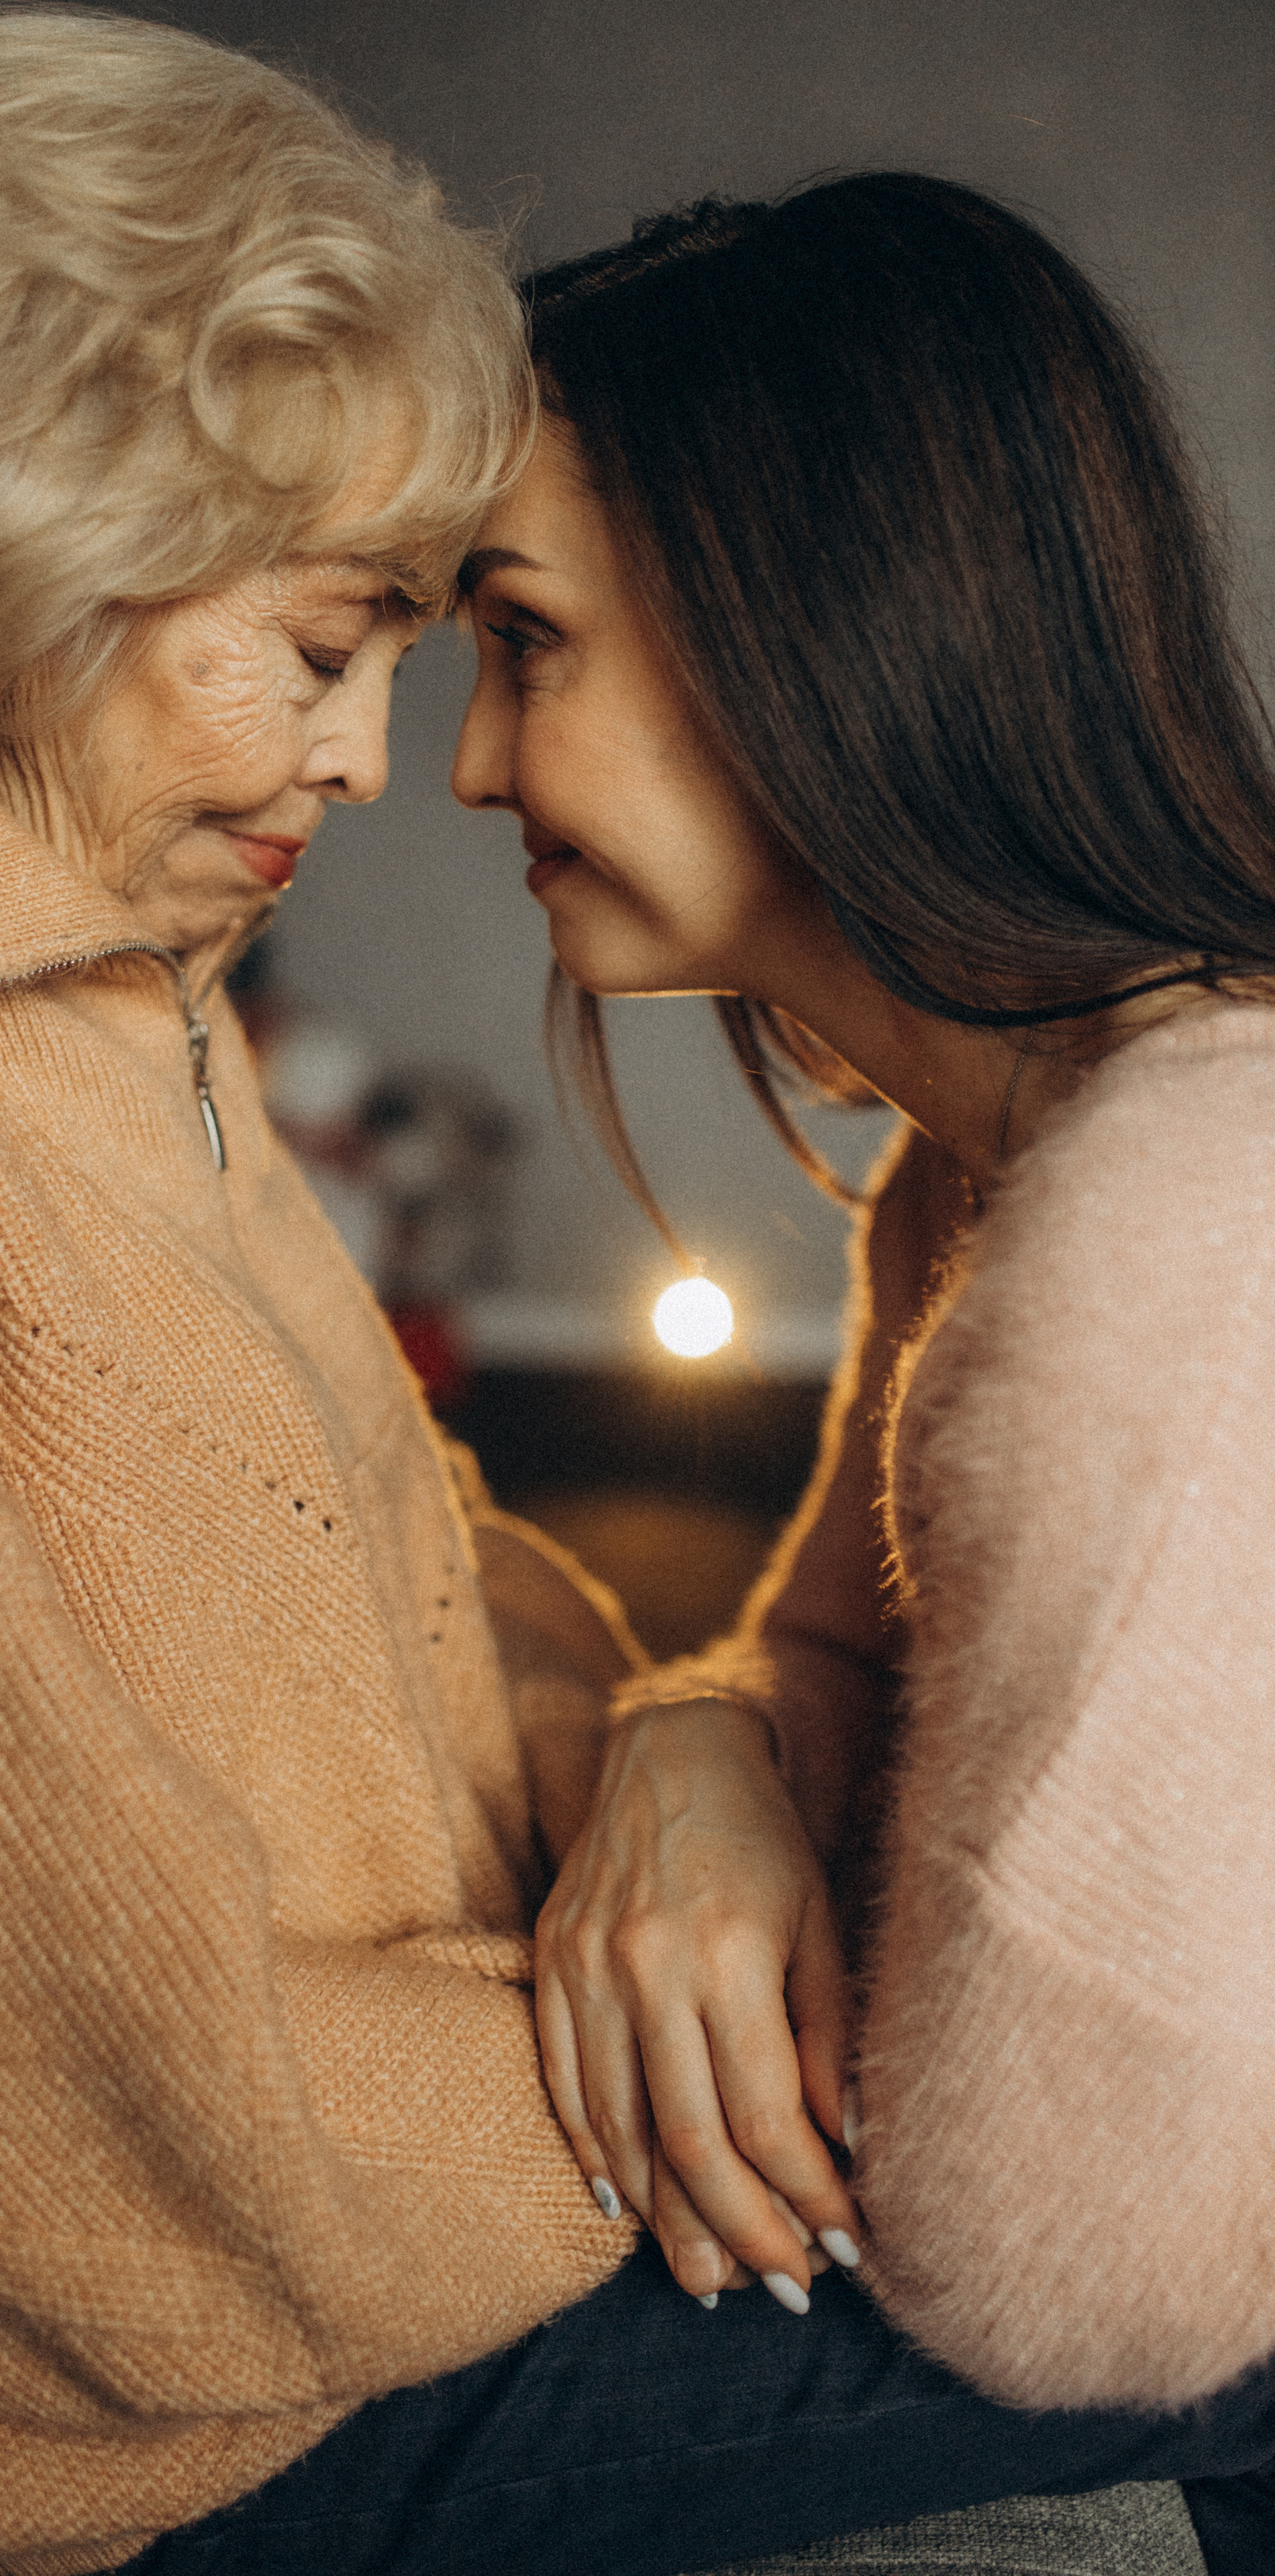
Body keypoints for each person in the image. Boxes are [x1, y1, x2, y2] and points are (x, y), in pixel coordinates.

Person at [0, 16, 1267, 2567]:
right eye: (331, 643)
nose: (399, 768)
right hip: (97, 2418)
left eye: (482, 646)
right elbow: (7, 2148)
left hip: (329, 2226)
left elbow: (430, 1594)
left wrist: (667, 1780)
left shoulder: (99, 983)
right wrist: (658, 1970)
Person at [450, 173, 1275, 2567]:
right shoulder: (983, 1154)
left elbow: (1066, 2286)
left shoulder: (1181, 1229)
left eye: (523, 643)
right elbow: (826, 1644)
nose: (468, 766)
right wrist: (687, 1744)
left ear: (800, 630)